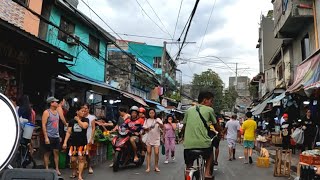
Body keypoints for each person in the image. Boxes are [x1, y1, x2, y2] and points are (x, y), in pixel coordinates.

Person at [183, 91, 218, 179]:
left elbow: (184, 126)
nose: (211, 103)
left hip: (188, 145)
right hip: (204, 145)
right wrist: (220, 133)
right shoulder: (209, 110)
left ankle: (188, 173)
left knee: (189, 164)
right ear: (205, 100)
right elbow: (216, 125)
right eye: (211, 101)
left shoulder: (188, 110)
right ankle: (206, 173)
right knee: (210, 154)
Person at [62, 105, 89, 180]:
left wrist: (78, 120)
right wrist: (65, 142)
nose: (83, 113)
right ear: (77, 111)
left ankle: (80, 175)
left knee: (81, 159)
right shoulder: (71, 121)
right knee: (73, 160)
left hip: (82, 143)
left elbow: (84, 126)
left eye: (84, 111)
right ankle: (74, 171)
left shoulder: (86, 120)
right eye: (82, 111)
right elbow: (68, 132)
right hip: (73, 143)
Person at [42, 97, 62, 175]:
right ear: (51, 103)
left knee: (56, 152)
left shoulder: (57, 112)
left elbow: (58, 125)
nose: (57, 103)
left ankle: (57, 168)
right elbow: (43, 125)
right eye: (55, 102)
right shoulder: (46, 112)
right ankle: (46, 168)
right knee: (47, 152)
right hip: (49, 135)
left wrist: (59, 135)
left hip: (56, 136)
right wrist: (46, 137)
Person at [82, 103, 96, 174]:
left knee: (88, 153)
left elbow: (93, 128)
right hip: (81, 137)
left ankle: (89, 166)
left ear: (89, 109)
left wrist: (91, 138)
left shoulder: (92, 117)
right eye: (83, 108)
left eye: (86, 108)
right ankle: (81, 166)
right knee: (81, 152)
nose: (84, 110)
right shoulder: (80, 117)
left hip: (88, 136)